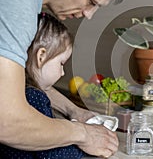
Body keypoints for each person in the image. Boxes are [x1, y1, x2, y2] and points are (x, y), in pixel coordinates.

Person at [0, 0, 131, 158]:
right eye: (91, 2)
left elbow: (17, 82)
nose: (89, 14)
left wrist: (74, 111)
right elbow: (8, 121)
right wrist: (83, 135)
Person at [0, 13, 88, 158]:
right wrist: (81, 147)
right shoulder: (34, 96)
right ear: (41, 57)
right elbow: (50, 154)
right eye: (61, 64)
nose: (62, 73)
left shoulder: (12, 89)